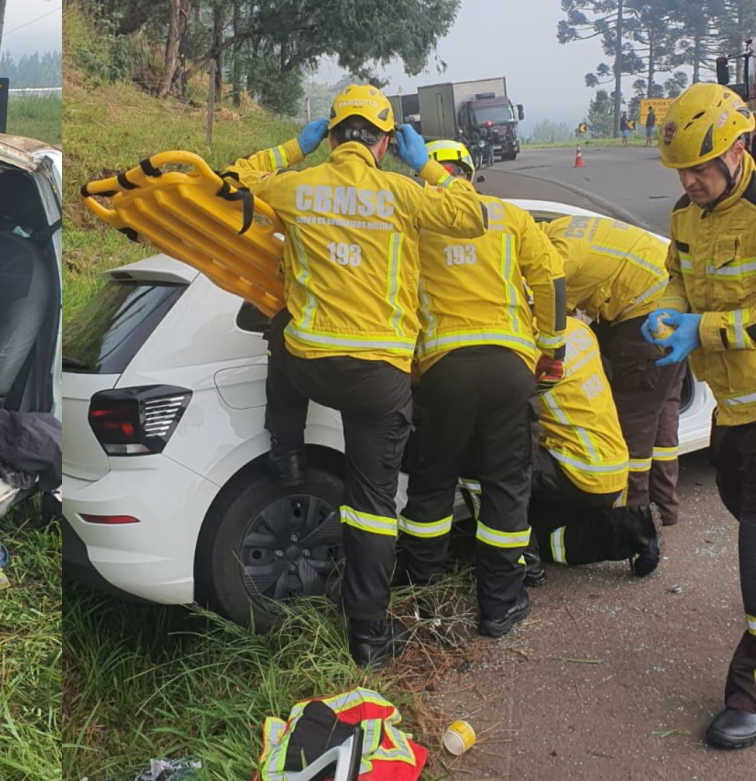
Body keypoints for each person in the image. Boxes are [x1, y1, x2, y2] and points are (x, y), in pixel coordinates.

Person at [223, 84, 488, 668]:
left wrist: (294, 147)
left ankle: (286, 450)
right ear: (386, 142)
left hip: (310, 365)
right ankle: (367, 636)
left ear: (336, 134)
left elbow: (230, 182)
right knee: (370, 505)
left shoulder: (297, 187)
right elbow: (473, 217)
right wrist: (426, 167)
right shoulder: (402, 193)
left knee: (280, 335)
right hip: (378, 377)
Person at [398, 139, 566, 638]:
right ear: (470, 175)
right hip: (509, 368)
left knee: (432, 484)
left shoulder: (415, 224)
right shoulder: (509, 218)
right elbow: (551, 280)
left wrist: (410, 368)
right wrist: (551, 351)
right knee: (506, 489)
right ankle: (500, 606)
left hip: (443, 370)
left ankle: (418, 597)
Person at [644, 81, 756, 750]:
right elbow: (677, 275)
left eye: (702, 167)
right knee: (743, 512)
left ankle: (749, 686)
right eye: (683, 170)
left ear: (739, 149)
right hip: (735, 410)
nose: (691, 180)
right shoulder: (687, 214)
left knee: (754, 544)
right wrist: (667, 309)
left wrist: (704, 329)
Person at [461, 317, 657, 578]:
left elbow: (493, 419)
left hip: (577, 472)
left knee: (475, 455)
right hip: (612, 469)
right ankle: (627, 531)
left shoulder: (524, 353)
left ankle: (516, 559)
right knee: (547, 541)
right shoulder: (578, 328)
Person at [543, 214, 683, 526]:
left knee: (633, 420)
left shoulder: (556, 260)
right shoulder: (557, 227)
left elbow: (550, 322)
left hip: (648, 318)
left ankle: (630, 520)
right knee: (662, 409)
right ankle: (666, 505)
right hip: (676, 301)